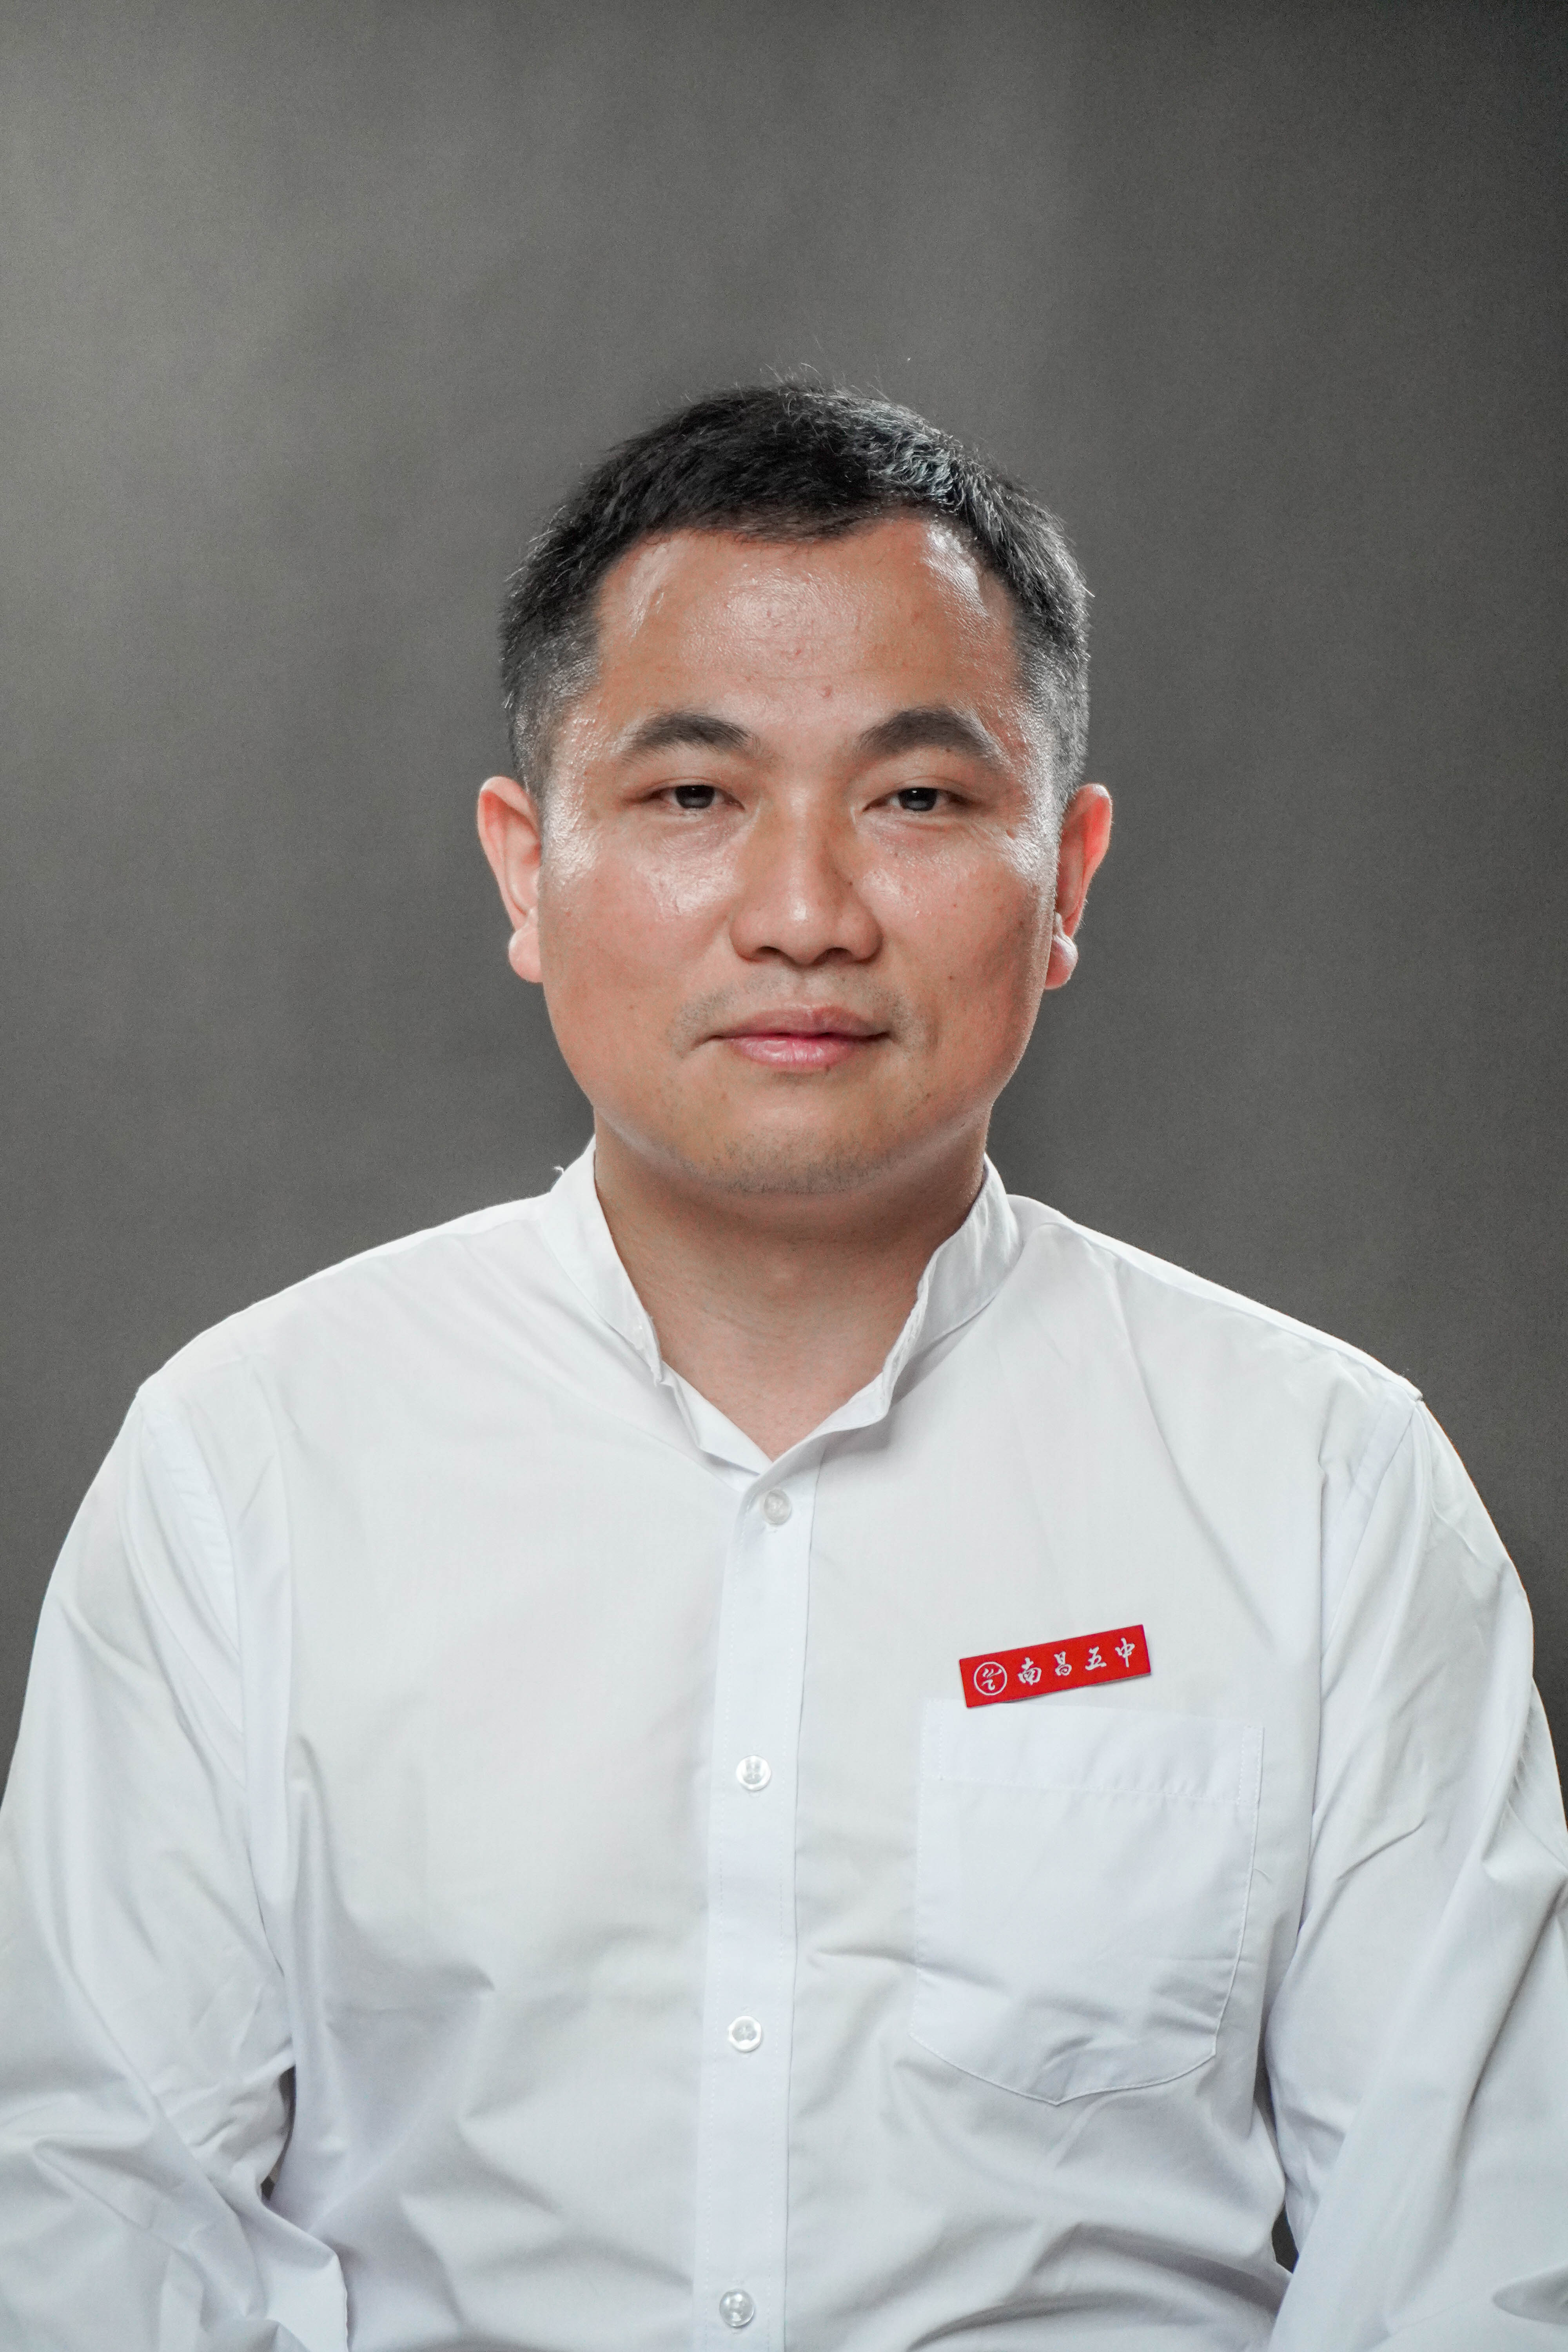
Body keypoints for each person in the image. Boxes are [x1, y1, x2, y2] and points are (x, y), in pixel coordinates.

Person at [0, 383, 1564, 2352]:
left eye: (917, 801)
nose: (806, 915)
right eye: (692, 797)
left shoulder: (1324, 1484)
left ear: (1067, 877)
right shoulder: (249, 1464)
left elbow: (1464, 2270)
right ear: (525, 869)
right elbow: (104, 2233)